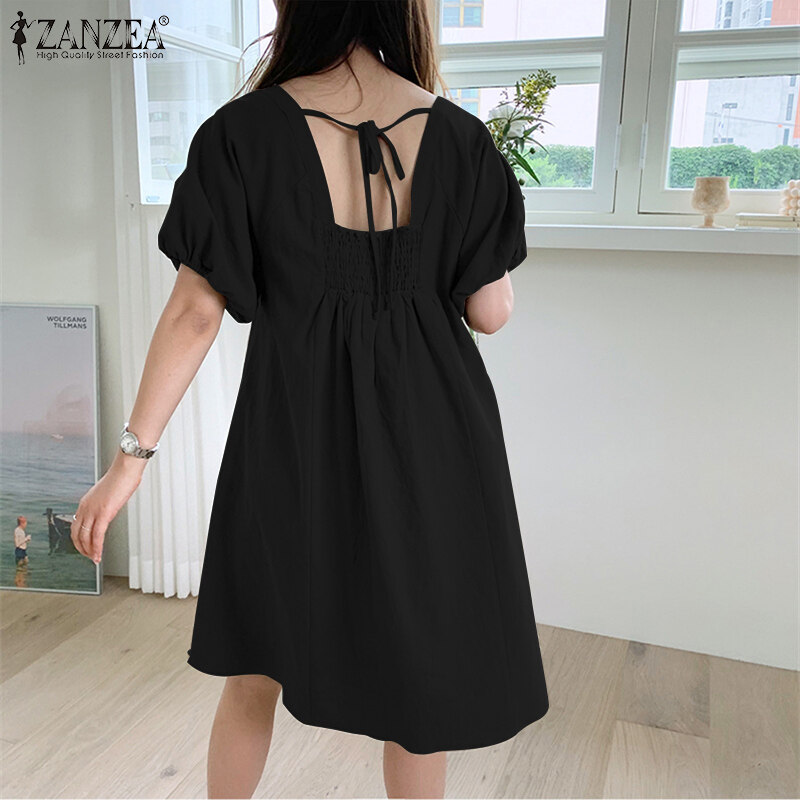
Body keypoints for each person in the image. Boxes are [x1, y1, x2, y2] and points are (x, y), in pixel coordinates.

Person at [70, 1, 549, 797]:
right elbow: (490, 313)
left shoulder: (241, 133)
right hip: (433, 437)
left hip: (292, 436)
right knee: (421, 684)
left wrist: (130, 462)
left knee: (255, 665)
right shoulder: (463, 138)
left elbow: (195, 313)